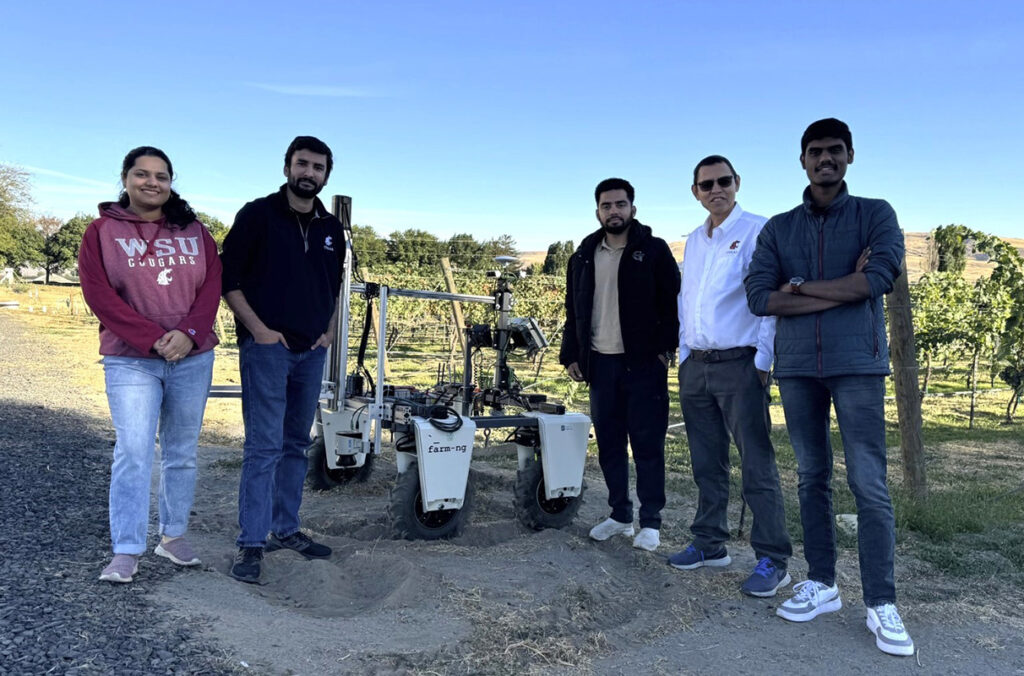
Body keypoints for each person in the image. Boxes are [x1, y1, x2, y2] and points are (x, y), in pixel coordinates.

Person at [745, 118, 913, 656]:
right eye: (816, 152)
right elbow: (758, 296)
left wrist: (798, 287)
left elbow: (877, 279)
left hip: (858, 367)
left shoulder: (875, 214)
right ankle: (822, 581)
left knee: (869, 483)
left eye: (835, 151)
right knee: (811, 477)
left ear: (850, 156)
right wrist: (842, 290)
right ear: (802, 160)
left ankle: (881, 601)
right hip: (796, 368)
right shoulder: (779, 228)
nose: (826, 159)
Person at [79, 146, 221, 583]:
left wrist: (189, 334)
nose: (152, 183)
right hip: (130, 361)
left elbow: (211, 287)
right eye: (142, 174)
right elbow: (99, 295)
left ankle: (172, 535)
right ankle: (126, 547)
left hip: (191, 358)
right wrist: (152, 338)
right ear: (125, 179)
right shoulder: (100, 232)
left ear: (170, 182)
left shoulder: (196, 232)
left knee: (181, 453)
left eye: (161, 176)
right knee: (134, 451)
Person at [221, 136, 344, 583]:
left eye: (318, 167)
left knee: (296, 444)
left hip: (311, 353)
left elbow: (332, 287)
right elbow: (228, 278)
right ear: (287, 166)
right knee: (263, 447)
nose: (309, 173)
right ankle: (251, 543)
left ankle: (286, 529)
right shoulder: (257, 215)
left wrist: (328, 331)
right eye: (302, 164)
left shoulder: (332, 230)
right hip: (268, 351)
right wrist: (258, 331)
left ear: (327, 174)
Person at [669, 155, 792, 597]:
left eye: (723, 181)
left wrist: (762, 361)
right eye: (706, 184)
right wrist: (684, 354)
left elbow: (769, 297)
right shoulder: (694, 241)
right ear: (695, 192)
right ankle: (709, 542)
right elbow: (689, 300)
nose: (715, 189)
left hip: (741, 364)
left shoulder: (758, 230)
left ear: (737, 183)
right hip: (697, 366)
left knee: (756, 463)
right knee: (707, 461)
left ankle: (773, 559)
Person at [560, 178, 680, 552]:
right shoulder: (582, 255)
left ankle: (652, 522)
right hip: (601, 365)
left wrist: (665, 350)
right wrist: (572, 354)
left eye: (620, 204)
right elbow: (572, 309)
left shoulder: (655, 251)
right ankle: (620, 515)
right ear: (597, 211)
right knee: (610, 444)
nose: (614, 211)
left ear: (633, 209)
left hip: (643, 365)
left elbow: (673, 303)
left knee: (647, 444)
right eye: (607, 205)